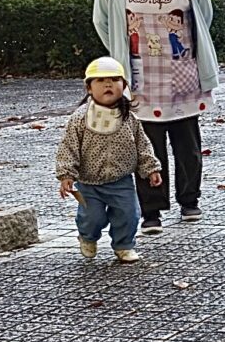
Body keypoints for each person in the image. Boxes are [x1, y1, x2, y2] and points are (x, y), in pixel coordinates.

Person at [93, 0, 219, 235]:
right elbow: (103, 22)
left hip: (183, 73)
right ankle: (151, 210)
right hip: (140, 77)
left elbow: (203, 13)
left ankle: (189, 200)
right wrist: (121, 54)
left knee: (188, 144)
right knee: (147, 147)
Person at [56, 57, 162, 264]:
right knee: (92, 217)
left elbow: (142, 144)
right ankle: (87, 236)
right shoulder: (80, 118)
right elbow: (68, 146)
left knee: (129, 214)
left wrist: (151, 168)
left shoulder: (129, 118)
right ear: (89, 88)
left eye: (114, 80)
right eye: (101, 80)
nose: (108, 85)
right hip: (89, 183)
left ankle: (124, 245)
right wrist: (66, 174)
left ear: (124, 85)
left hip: (121, 181)